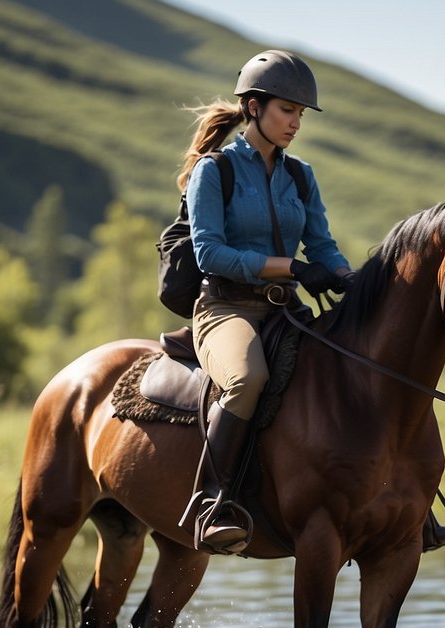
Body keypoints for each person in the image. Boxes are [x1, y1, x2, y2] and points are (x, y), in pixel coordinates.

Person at [177, 49, 353, 554]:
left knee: (351, 366)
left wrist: (350, 279)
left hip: (282, 310)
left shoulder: (302, 176)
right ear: (253, 107)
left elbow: (320, 244)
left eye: (300, 115)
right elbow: (209, 252)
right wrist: (291, 268)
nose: (296, 123)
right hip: (225, 308)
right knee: (247, 378)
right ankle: (211, 505)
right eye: (287, 111)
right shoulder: (216, 171)